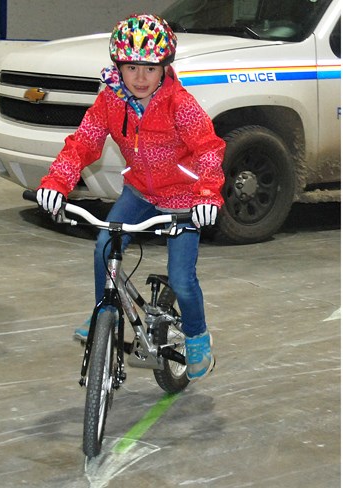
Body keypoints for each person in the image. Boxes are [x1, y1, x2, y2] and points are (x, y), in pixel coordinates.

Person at [36, 13, 225, 381]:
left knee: (182, 280)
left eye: (150, 69)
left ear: (164, 69)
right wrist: (56, 183)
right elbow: (83, 144)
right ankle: (101, 313)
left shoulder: (180, 106)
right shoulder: (110, 101)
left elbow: (208, 149)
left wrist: (206, 196)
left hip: (184, 198)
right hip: (139, 191)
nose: (140, 78)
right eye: (132, 67)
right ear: (118, 66)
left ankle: (198, 338)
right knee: (105, 246)